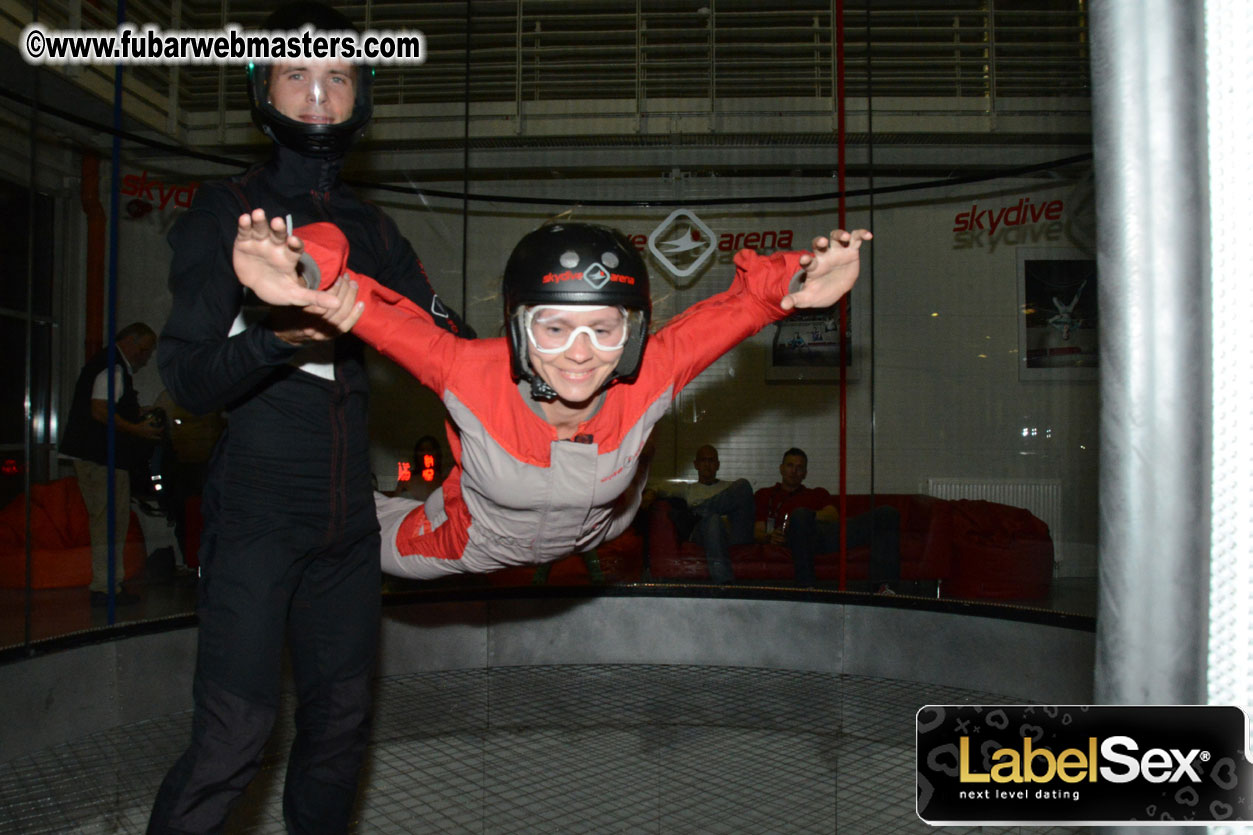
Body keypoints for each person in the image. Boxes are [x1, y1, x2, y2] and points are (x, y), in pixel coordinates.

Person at [147, 4, 472, 833]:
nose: (320, 95)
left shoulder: (373, 227)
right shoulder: (229, 212)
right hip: (256, 513)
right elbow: (183, 378)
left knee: (338, 731)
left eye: (339, 75)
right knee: (234, 738)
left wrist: (545, 370)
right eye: (298, 73)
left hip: (347, 527)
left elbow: (451, 345)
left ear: (361, 93)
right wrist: (276, 336)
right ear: (266, 88)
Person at [233, 211, 872, 584]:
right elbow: (358, 303)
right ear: (518, 328)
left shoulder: (651, 369)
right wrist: (303, 273)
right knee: (329, 521)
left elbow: (749, 304)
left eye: (606, 328)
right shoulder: (468, 371)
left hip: (600, 523)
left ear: (634, 331)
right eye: (555, 327)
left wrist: (802, 283)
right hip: (466, 541)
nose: (581, 352)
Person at [60, 322, 161, 606]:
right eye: (144, 349)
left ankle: (110, 586)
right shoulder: (113, 367)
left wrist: (135, 413)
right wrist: (138, 428)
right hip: (101, 458)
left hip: (101, 458)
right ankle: (105, 588)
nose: (145, 356)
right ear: (129, 342)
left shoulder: (109, 365)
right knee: (108, 523)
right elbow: (100, 410)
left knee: (111, 521)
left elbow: (104, 407)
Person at [753, 447, 901, 589]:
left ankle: (883, 587)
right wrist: (770, 537)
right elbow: (757, 531)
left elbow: (832, 515)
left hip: (826, 535)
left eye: (799, 467)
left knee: (887, 513)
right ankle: (806, 586)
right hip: (796, 539)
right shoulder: (766, 495)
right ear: (781, 468)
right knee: (799, 516)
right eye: (790, 465)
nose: (794, 471)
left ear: (805, 473)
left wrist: (808, 516)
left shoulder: (817, 493)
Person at [649, 445, 754, 584]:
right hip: (705, 532)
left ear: (717, 465)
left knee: (744, 485)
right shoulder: (688, 489)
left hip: (732, 532)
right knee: (713, 520)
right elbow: (658, 487)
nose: (707, 465)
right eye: (703, 460)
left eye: (711, 461)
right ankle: (724, 585)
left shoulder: (729, 488)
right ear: (696, 464)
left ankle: (701, 509)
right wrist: (650, 494)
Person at [393, 434, 445, 501]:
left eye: (429, 450)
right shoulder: (406, 479)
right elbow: (394, 503)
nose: (425, 454)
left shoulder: (445, 480)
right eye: (422, 450)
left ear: (437, 455)